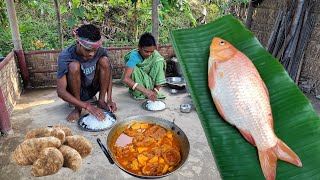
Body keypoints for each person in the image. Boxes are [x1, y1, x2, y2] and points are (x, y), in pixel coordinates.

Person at [56, 24, 117, 123]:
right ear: (78, 43)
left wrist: (109, 99)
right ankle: (77, 108)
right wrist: (88, 107)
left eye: (95, 50)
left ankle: (101, 101)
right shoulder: (66, 56)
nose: (92, 54)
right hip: (76, 92)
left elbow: (108, 74)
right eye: (88, 50)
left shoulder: (101, 52)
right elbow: (60, 91)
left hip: (92, 89)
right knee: (74, 66)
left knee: (105, 61)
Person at [122, 33, 167, 101]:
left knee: (160, 61)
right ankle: (140, 92)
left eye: (151, 51)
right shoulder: (134, 57)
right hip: (139, 85)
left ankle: (152, 91)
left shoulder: (155, 55)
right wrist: (146, 91)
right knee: (133, 70)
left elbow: (161, 71)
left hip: (151, 84)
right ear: (139, 47)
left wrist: (155, 91)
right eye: (146, 51)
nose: (149, 54)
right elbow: (125, 79)